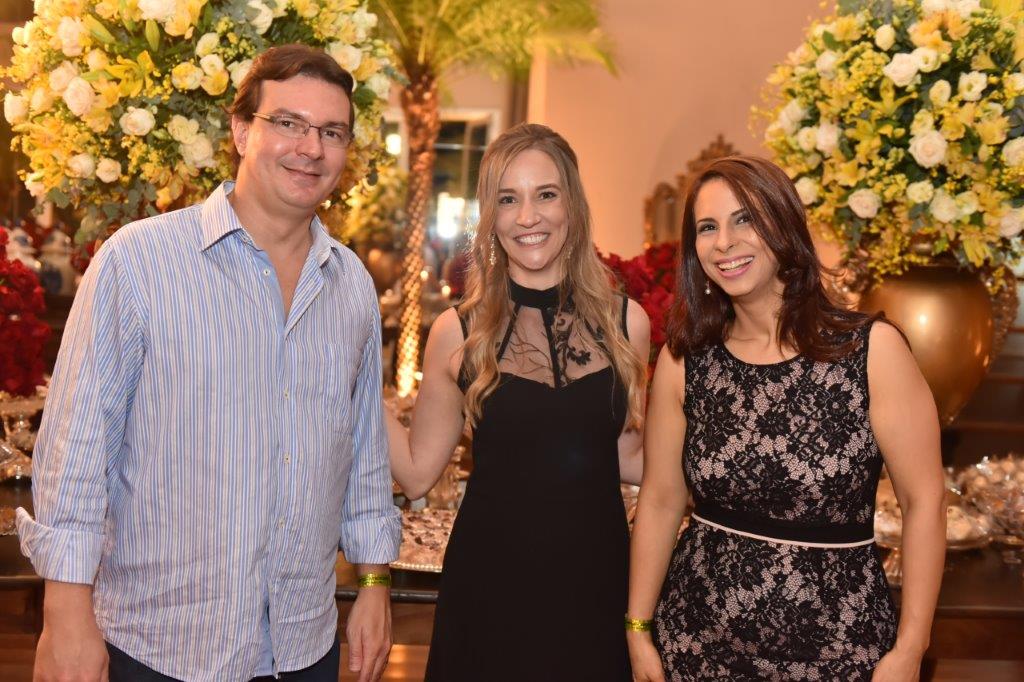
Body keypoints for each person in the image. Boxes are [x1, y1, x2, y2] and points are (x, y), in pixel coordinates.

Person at [17, 44, 400, 682]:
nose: (311, 148)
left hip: (303, 646)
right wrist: (64, 615)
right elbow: (77, 448)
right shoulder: (139, 262)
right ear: (242, 130)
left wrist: (375, 583)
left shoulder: (352, 286)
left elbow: (364, 454)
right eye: (289, 123)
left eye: (332, 132)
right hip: (160, 647)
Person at [626, 156, 946, 681]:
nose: (725, 242)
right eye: (707, 227)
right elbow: (661, 500)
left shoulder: (872, 351)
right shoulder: (686, 361)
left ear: (783, 224)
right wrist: (638, 629)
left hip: (840, 650)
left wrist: (911, 646)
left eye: (745, 219)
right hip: (696, 643)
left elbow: (924, 501)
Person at [385, 123, 650, 681]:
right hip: (489, 592)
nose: (527, 217)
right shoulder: (457, 331)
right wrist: (357, 385)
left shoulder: (628, 324)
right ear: (491, 216)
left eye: (545, 194)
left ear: (572, 205)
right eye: (508, 199)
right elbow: (416, 473)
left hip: (595, 590)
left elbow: (626, 455)